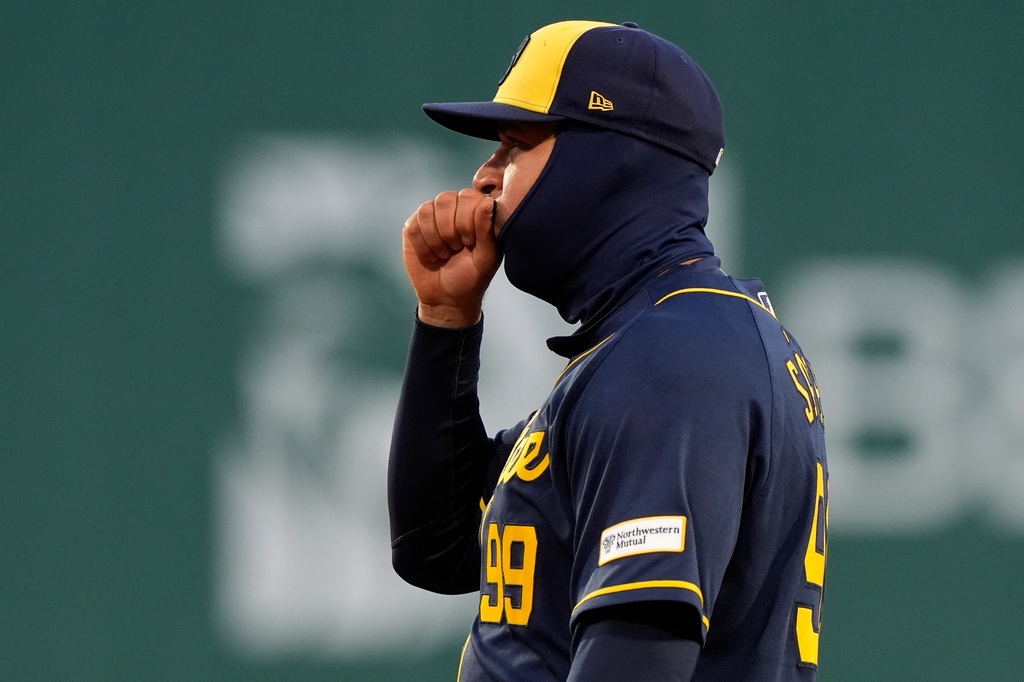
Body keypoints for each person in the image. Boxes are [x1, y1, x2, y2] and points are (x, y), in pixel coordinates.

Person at [388, 20, 829, 681]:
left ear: (605, 159)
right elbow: (438, 547)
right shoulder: (655, 342)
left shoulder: (675, 359)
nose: (484, 178)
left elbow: (638, 659)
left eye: (514, 146)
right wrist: (446, 320)